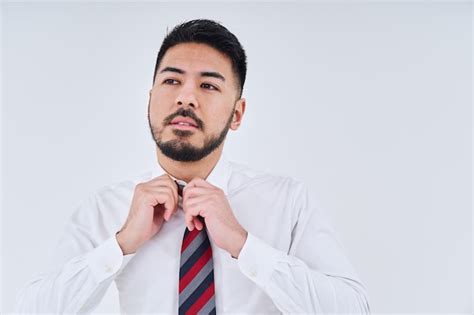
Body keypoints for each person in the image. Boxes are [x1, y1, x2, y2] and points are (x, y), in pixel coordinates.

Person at [16, 19, 371, 314]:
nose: (186, 97)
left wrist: (244, 245)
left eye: (208, 85)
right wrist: (121, 244)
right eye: (171, 81)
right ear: (150, 100)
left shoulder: (287, 201)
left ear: (237, 114)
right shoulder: (106, 208)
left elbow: (355, 309)